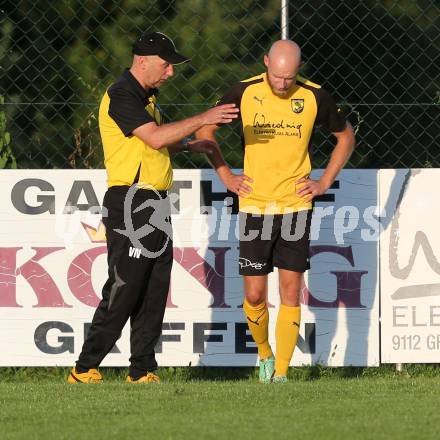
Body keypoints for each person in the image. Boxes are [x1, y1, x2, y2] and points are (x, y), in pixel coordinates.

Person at [68, 31, 239, 384]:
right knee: (126, 286)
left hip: (155, 201)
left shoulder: (147, 96)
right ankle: (84, 367)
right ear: (142, 61)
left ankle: (142, 369)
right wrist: (205, 117)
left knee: (155, 286)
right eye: (166, 65)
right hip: (131, 200)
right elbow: (156, 137)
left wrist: (190, 145)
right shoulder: (121, 94)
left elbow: (154, 147)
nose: (171, 73)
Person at [195, 40, 355, 383]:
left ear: (298, 70)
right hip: (255, 206)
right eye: (276, 75)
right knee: (254, 294)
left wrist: (324, 181)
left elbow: (345, 137)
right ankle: (264, 354)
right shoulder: (243, 92)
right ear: (266, 61)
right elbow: (205, 130)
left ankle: (280, 373)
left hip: (295, 206)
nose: (282, 84)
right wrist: (226, 174)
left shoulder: (315, 96)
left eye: (289, 77)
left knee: (290, 290)